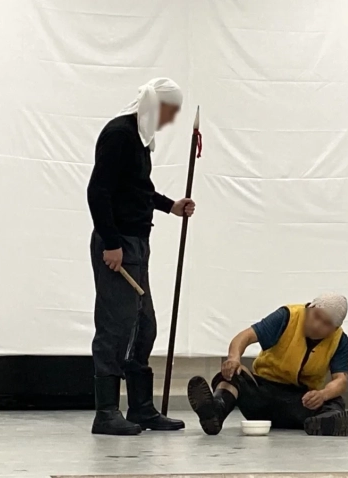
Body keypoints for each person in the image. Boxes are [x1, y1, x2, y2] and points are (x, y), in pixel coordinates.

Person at [86, 78, 196, 436]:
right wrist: (111, 242)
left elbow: (138, 190)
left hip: (136, 244)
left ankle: (141, 408)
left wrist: (171, 206)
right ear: (153, 104)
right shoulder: (119, 134)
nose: (170, 119)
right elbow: (98, 191)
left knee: (143, 325)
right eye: (169, 111)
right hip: (118, 244)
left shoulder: (140, 140)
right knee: (116, 325)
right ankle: (106, 412)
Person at [186, 293, 348, 436]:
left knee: (333, 399)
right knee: (234, 375)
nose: (318, 325)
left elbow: (341, 380)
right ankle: (214, 412)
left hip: (300, 401)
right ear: (309, 308)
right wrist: (233, 358)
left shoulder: (340, 341)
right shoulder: (287, 317)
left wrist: (322, 394)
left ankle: (323, 423)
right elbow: (245, 337)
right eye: (316, 316)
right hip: (262, 394)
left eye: (326, 324)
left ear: (335, 329)